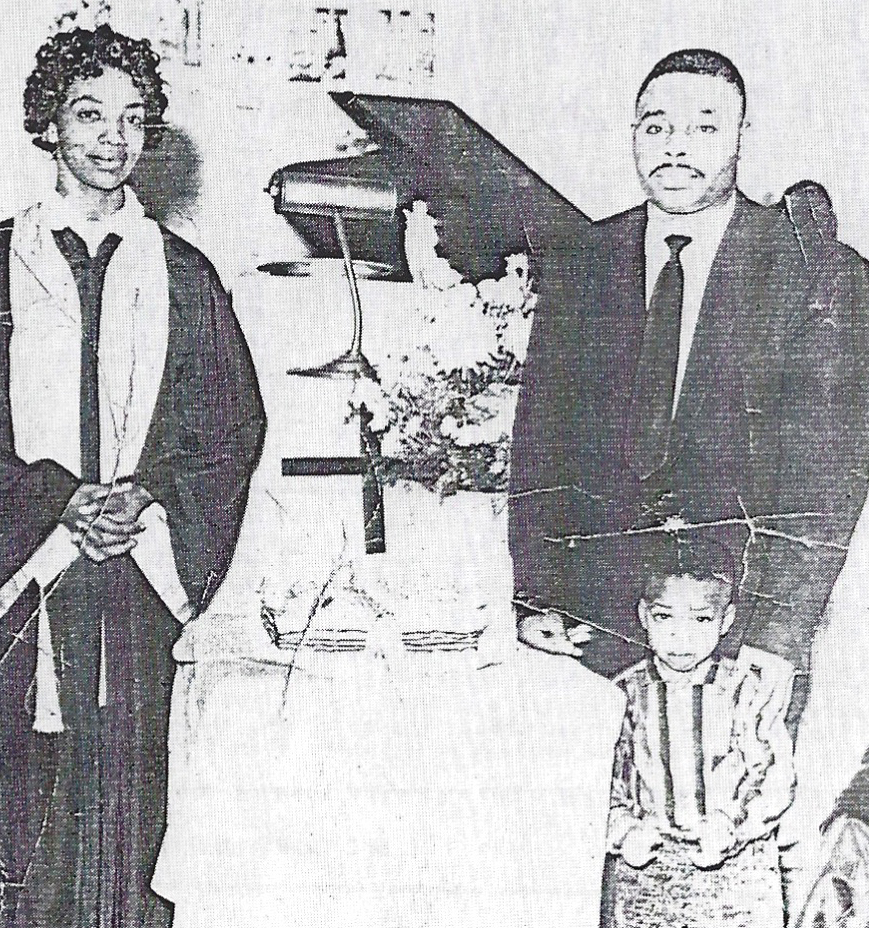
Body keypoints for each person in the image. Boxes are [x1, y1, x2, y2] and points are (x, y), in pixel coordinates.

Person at [0, 25, 266, 927]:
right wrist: (51, 500)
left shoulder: (183, 274)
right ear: (49, 124)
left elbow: (229, 427)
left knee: (129, 810)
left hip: (133, 578)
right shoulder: (0, 263)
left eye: (132, 118)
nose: (112, 137)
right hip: (22, 583)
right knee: (23, 816)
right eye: (89, 113)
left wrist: (144, 494)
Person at [509, 48, 869, 684]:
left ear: (741, 135)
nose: (676, 148)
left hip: (741, 628)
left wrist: (775, 638)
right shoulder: (584, 258)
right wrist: (538, 590)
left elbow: (827, 477)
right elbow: (542, 439)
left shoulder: (820, 272)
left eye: (704, 127)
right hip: (596, 626)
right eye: (656, 126)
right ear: (634, 136)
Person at [607, 535, 795, 927]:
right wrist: (624, 829)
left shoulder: (746, 690)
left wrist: (731, 825)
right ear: (643, 615)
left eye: (701, 619)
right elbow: (606, 780)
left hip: (738, 866)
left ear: (725, 621)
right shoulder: (622, 694)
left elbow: (773, 774)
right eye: (664, 617)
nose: (681, 636)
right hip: (647, 869)